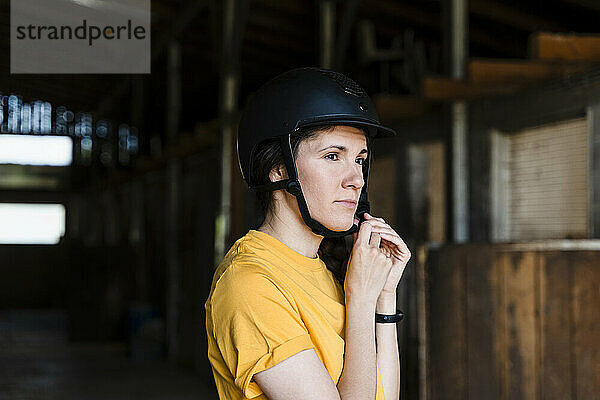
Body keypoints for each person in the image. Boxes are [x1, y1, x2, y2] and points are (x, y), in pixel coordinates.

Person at [205, 67, 411, 400]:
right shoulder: (250, 285)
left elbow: (382, 396)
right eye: (333, 156)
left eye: (360, 159)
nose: (355, 178)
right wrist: (359, 299)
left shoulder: (321, 268)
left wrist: (383, 296)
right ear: (278, 170)